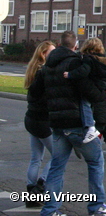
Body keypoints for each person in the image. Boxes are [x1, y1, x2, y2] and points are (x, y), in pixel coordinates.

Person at [34, 31, 106, 216]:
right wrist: (101, 93)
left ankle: (50, 211)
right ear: (75, 45)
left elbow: (37, 93)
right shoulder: (75, 63)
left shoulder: (48, 66)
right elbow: (90, 92)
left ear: (59, 44)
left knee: (57, 167)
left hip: (56, 123)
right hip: (77, 122)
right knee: (95, 162)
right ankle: (96, 206)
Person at [23, 40, 56, 208]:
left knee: (36, 157)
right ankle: (40, 186)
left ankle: (31, 190)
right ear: (44, 54)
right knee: (57, 155)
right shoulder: (44, 72)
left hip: (31, 118)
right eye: (52, 51)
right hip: (42, 120)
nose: (55, 54)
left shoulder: (32, 69)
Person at [63, 38, 106, 145]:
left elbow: (83, 71)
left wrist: (70, 74)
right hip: (100, 92)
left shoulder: (89, 59)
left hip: (91, 90)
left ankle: (90, 126)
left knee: (85, 103)